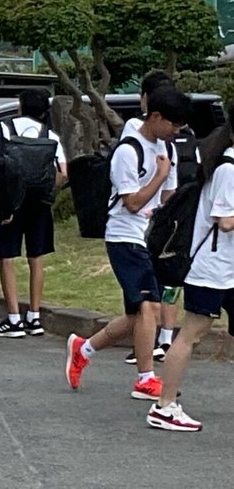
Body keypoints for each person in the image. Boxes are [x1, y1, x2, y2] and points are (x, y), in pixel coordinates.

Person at [65, 86, 188, 400]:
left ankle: (84, 349)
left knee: (138, 314)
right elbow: (131, 202)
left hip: (147, 238)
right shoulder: (128, 151)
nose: (175, 131)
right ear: (156, 116)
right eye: (173, 124)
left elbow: (167, 197)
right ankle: (145, 378)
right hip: (123, 237)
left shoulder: (167, 150)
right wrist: (159, 176)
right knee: (149, 305)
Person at [149, 100, 234, 432]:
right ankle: (164, 405)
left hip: (225, 269)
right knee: (192, 334)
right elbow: (225, 221)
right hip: (211, 268)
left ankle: (166, 403)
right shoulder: (228, 167)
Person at [0, 89, 67, 339]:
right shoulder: (50, 135)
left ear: (20, 106)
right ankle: (34, 316)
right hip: (40, 202)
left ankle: (13, 318)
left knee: (7, 257)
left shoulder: (3, 129)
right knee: (36, 257)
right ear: (45, 110)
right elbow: (63, 173)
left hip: (12, 202)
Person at [122, 70, 180, 364]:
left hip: (147, 227)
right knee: (156, 294)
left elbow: (162, 189)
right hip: (148, 228)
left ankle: (147, 347)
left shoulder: (142, 132)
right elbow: (159, 193)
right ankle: (161, 340)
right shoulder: (152, 141)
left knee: (147, 300)